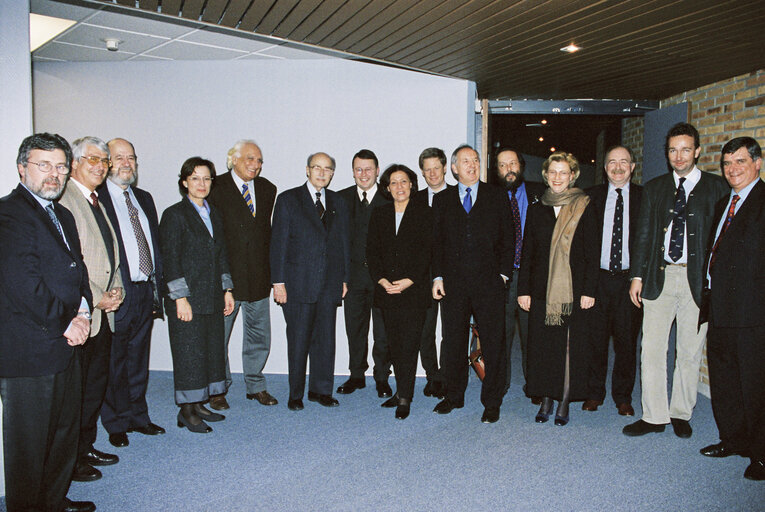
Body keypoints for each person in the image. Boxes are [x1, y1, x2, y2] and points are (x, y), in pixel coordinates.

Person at [0, 133, 96, 512]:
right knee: (29, 446)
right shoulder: (9, 214)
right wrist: (65, 322)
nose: (53, 174)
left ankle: (53, 502)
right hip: (30, 349)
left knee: (62, 435)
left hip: (64, 346)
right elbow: (23, 284)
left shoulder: (62, 214)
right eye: (44, 166)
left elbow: (78, 270)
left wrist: (85, 311)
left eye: (59, 166)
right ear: (22, 168)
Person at [624, 122, 728, 438]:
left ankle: (680, 412)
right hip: (660, 276)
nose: (679, 156)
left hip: (698, 281)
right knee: (652, 348)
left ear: (697, 151)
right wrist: (636, 275)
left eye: (685, 149)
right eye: (673, 150)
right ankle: (654, 415)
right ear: (667, 153)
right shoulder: (654, 188)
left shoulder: (718, 188)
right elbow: (642, 235)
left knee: (689, 349)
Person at [431, 144, 514, 424]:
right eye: (466, 161)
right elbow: (437, 245)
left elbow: (509, 239)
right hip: (453, 285)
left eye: (476, 160)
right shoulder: (442, 201)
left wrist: (503, 275)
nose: (472, 165)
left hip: (489, 284)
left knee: (493, 342)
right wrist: (437, 277)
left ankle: (492, 401)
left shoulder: (497, 196)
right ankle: (453, 395)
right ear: (453, 168)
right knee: (452, 341)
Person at [699, 136, 765, 481]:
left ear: (757, 163)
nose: (732, 169)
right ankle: (734, 440)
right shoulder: (727, 201)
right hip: (721, 309)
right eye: (726, 164)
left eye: (739, 161)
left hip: (753, 315)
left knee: (755, 385)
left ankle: (762, 454)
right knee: (725, 382)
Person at [58, 136, 124, 482]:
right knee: (77, 394)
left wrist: (117, 291)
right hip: (83, 311)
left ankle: (86, 446)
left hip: (104, 312)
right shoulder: (66, 198)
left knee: (95, 387)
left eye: (104, 161)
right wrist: (98, 295)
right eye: (92, 160)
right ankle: (71, 460)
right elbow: (73, 260)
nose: (100, 166)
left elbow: (107, 254)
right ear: (75, 163)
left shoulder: (95, 200)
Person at [518, 151, 599, 426]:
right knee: (544, 345)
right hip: (542, 290)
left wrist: (589, 290)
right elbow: (528, 251)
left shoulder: (584, 205)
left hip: (573, 290)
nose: (557, 178)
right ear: (545, 175)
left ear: (573, 175)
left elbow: (591, 252)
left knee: (567, 345)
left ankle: (564, 398)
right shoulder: (537, 206)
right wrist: (523, 290)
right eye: (552, 172)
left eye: (563, 172)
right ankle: (547, 397)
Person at [159, 157, 235, 433]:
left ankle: (199, 403)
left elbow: (222, 254)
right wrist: (180, 298)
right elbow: (170, 259)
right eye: (195, 178)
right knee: (189, 354)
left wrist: (227, 290)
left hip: (213, 295)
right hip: (187, 299)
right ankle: (186, 411)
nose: (201, 184)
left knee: (209, 352)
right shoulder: (174, 215)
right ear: (184, 182)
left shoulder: (214, 213)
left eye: (206, 179)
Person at [98, 137, 165, 448]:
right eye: (119, 157)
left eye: (132, 158)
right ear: (108, 162)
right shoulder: (97, 198)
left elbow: (154, 245)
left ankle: (139, 415)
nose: (127, 163)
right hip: (117, 293)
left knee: (139, 358)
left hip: (144, 292)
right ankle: (116, 422)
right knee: (115, 360)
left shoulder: (144, 198)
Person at [270, 152, 350, 411]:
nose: (322, 172)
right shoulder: (288, 200)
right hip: (297, 284)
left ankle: (321, 390)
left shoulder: (338, 201)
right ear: (307, 170)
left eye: (327, 169)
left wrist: (345, 278)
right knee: (299, 340)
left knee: (326, 340)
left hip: (329, 283)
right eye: (317, 167)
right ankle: (296, 394)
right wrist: (278, 282)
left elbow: (343, 245)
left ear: (332, 173)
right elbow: (278, 244)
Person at [208, 140, 278, 410]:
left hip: (259, 277)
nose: (255, 165)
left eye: (259, 160)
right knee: (219, 337)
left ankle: (255, 385)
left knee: (259, 336)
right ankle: (218, 388)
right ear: (233, 160)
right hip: (227, 279)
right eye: (249, 159)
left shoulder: (268, 189)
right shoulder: (215, 187)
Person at [367, 164, 433, 419]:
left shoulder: (425, 213)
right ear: (387, 188)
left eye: (403, 181)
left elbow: (428, 251)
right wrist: (382, 280)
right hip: (387, 290)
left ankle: (405, 396)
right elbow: (372, 251)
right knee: (393, 344)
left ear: (412, 185)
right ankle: (400, 390)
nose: (399, 187)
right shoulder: (379, 214)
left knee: (409, 344)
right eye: (393, 183)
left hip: (413, 290)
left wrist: (410, 280)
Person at [582, 145, 643, 416]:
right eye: (612, 163)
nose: (618, 167)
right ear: (605, 168)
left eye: (624, 162)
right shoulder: (589, 197)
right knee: (594, 341)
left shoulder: (645, 197)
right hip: (598, 279)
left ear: (632, 167)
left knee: (627, 343)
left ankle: (623, 397)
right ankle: (594, 393)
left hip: (630, 282)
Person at [337, 149, 392, 398]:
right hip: (353, 280)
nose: (364, 174)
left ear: (377, 171)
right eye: (358, 169)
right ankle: (356, 376)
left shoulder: (390, 197)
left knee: (383, 333)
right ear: (352, 172)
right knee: (355, 331)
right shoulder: (340, 199)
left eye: (368, 169)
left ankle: (382, 377)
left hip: (382, 280)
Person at [495, 148, 545, 400]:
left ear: (521, 165)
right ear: (498, 170)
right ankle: (500, 384)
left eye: (512, 163)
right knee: (501, 336)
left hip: (532, 278)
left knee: (533, 337)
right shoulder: (491, 197)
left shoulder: (540, 193)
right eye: (503, 165)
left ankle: (534, 384)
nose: (508, 169)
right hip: (502, 278)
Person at [411, 147, 450, 399]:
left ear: (445, 168)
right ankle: (432, 375)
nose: (433, 173)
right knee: (425, 330)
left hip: (452, 274)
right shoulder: (414, 200)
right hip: (423, 276)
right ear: (422, 172)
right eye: (427, 169)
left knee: (451, 330)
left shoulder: (460, 196)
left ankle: (448, 375)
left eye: (437, 167)